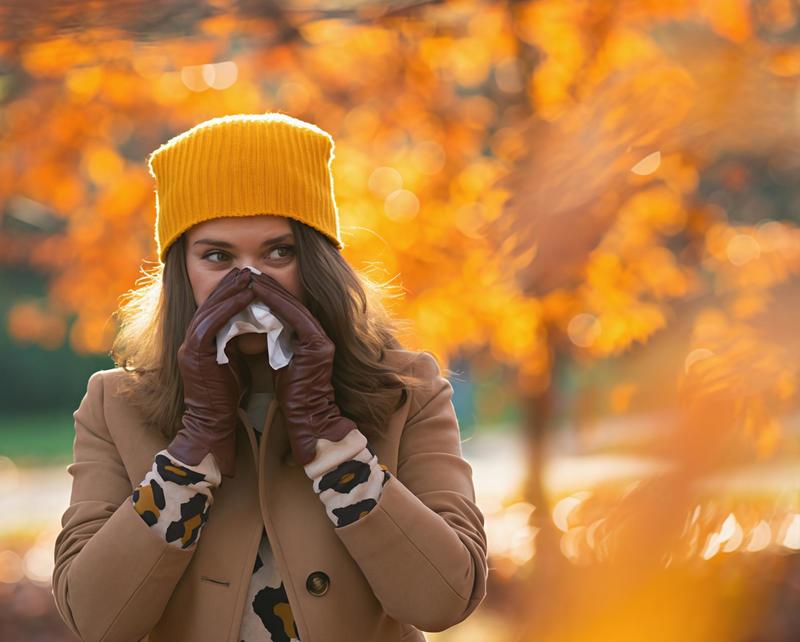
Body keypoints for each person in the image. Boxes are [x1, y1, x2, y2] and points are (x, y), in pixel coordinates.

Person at [51, 113, 488, 642]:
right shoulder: (115, 402)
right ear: (181, 270)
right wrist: (192, 450)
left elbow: (444, 600)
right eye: (218, 256)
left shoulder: (405, 388)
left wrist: (331, 443)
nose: (249, 282)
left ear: (317, 261)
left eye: (279, 252)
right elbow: (94, 619)